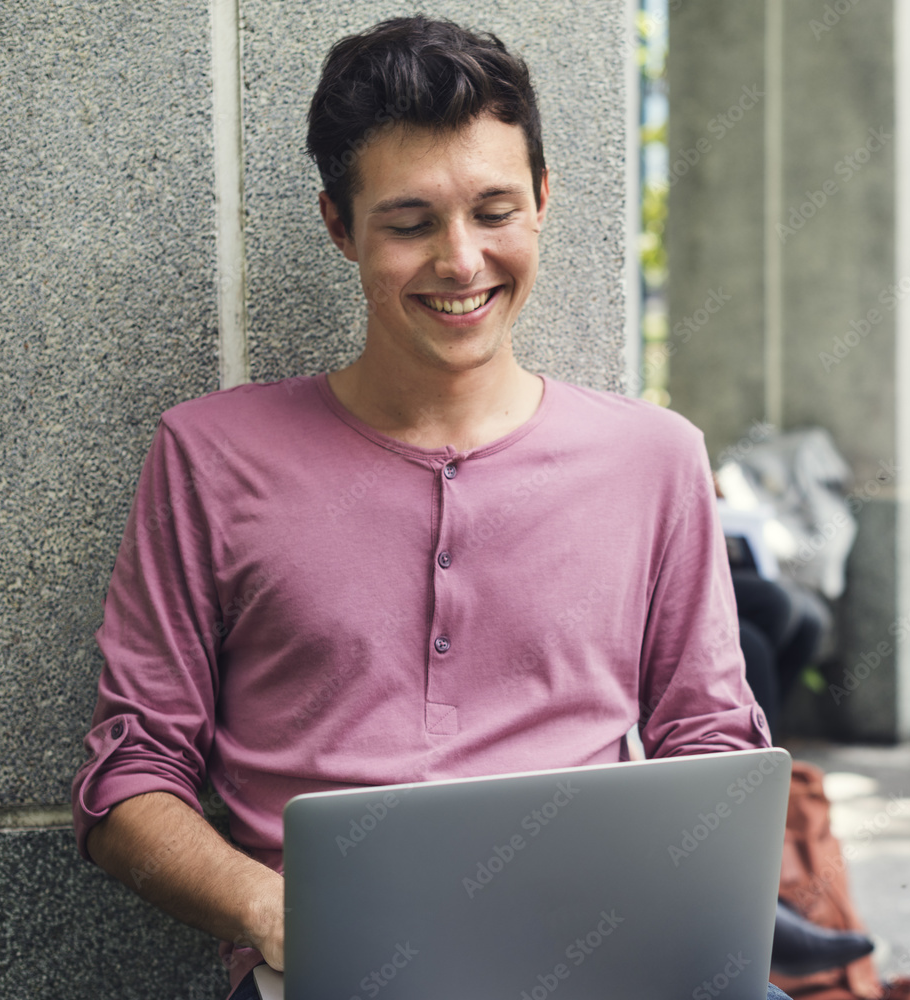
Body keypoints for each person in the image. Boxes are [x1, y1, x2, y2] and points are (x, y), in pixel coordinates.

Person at [72, 17, 794, 1000]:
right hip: (325, 974)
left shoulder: (654, 458)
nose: (461, 263)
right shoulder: (210, 456)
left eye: (494, 211)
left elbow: (713, 750)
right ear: (340, 226)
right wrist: (268, 907)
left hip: (604, 964)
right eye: (411, 223)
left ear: (543, 201)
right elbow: (127, 781)